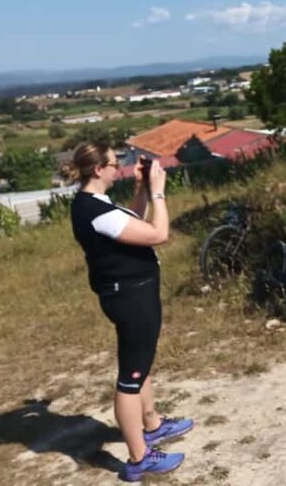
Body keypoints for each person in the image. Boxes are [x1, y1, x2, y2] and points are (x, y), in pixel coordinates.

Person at [69, 143, 193, 482]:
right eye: (115, 162)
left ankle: (151, 424)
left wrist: (139, 188)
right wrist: (158, 194)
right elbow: (158, 233)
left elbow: (131, 225)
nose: (119, 167)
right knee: (130, 380)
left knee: (140, 360)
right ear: (98, 170)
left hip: (133, 294)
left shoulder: (96, 205)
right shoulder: (93, 210)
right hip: (130, 299)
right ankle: (139, 458)